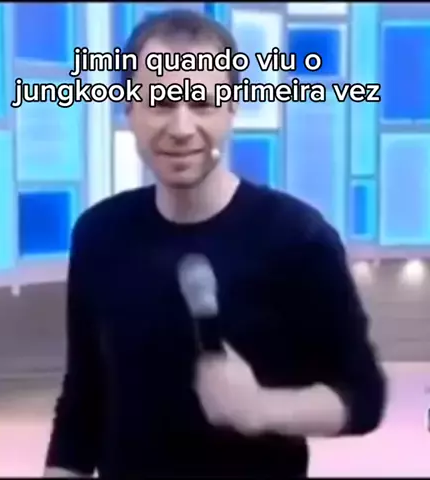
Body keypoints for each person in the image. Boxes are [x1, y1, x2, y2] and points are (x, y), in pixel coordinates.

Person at [44, 9, 386, 479]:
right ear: (129, 110)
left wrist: (261, 408)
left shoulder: (298, 238)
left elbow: (363, 398)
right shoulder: (99, 234)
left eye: (202, 103)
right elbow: (83, 401)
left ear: (232, 109)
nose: (182, 127)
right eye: (160, 102)